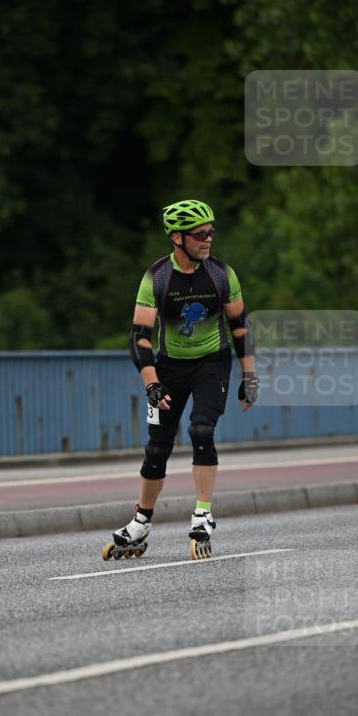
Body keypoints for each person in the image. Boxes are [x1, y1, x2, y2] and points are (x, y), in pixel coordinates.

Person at [103, 199, 258, 561]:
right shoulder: (156, 278)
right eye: (200, 234)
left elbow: (240, 325)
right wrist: (152, 383)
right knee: (158, 448)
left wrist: (249, 375)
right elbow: (139, 335)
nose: (208, 239)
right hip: (170, 367)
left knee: (201, 430)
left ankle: (203, 514)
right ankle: (141, 523)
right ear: (177, 238)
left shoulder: (222, 275)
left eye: (211, 231)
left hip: (212, 363)